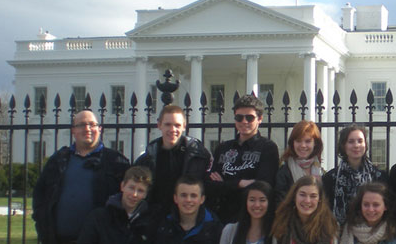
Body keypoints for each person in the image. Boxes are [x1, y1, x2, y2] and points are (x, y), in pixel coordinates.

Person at [33, 110, 130, 244]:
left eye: (92, 124)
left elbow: (128, 199)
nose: (87, 129)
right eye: (81, 125)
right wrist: (41, 221)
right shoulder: (59, 160)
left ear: (99, 129)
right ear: (73, 130)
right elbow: (40, 193)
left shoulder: (116, 161)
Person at [209, 95, 280, 223]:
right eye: (239, 117)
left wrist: (225, 184)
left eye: (250, 117)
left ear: (260, 119)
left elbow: (263, 186)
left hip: (252, 218)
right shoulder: (223, 148)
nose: (244, 121)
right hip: (223, 216)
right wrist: (240, 183)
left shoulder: (268, 148)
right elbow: (211, 186)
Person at [135, 105, 212, 214]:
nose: (172, 130)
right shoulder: (146, 160)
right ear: (159, 125)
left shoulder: (200, 157)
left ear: (184, 126)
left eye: (177, 125)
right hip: (156, 219)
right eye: (168, 125)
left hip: (188, 218)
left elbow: (208, 189)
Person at [323, 124, 388, 225]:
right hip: (341, 233)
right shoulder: (330, 178)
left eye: (360, 141)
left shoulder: (379, 176)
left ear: (365, 145)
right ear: (343, 145)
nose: (356, 145)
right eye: (351, 142)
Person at [77, 166, 153, 244]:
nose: (134, 194)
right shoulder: (98, 218)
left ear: (145, 194)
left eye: (140, 191)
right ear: (122, 186)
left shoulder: (151, 223)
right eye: (131, 188)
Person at [148, 175, 223, 244]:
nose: (188, 200)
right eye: (183, 195)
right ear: (175, 198)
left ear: (202, 199)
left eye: (193, 196)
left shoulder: (215, 228)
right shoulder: (163, 225)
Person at [270, 176, 338, 244]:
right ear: (294, 196)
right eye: (302, 195)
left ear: (319, 199)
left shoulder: (329, 227)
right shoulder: (281, 225)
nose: (307, 201)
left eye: (313, 196)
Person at [274, 120, 324, 202]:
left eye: (308, 141)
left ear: (315, 144)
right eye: (298, 141)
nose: (303, 145)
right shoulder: (284, 172)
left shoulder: (321, 171)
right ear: (292, 143)